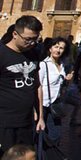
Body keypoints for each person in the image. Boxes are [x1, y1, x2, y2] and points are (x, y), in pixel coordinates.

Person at [0, 16, 44, 157]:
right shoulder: (2, 54)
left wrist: (41, 116)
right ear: (15, 34)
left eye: (35, 39)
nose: (31, 43)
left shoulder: (34, 53)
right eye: (27, 39)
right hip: (4, 121)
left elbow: (37, 86)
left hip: (26, 121)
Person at [38, 37, 73, 146]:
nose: (58, 50)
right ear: (50, 48)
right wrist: (39, 114)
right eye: (56, 47)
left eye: (61, 48)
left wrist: (68, 80)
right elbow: (38, 86)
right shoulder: (43, 65)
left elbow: (63, 86)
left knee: (56, 135)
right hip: (43, 104)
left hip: (56, 103)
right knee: (42, 134)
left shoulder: (63, 65)